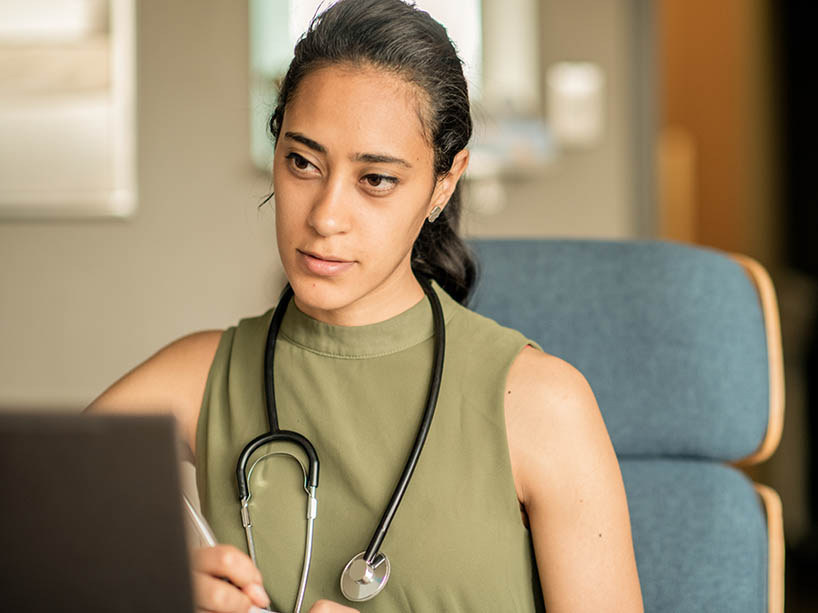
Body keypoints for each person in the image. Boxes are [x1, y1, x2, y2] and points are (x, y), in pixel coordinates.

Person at [88, 1, 643, 611]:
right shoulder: (197, 379)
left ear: (444, 182)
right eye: (302, 163)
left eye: (376, 179)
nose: (325, 216)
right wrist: (145, 581)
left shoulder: (543, 405)